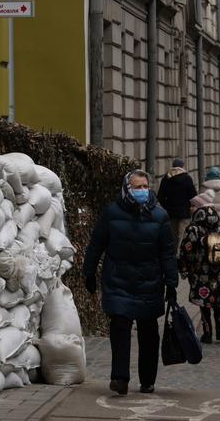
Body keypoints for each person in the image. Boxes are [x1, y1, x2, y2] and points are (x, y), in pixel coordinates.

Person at [84, 169, 179, 396]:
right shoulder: (112, 213)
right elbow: (97, 243)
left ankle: (147, 380)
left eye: (145, 186)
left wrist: (172, 283)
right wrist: (88, 272)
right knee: (119, 326)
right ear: (127, 188)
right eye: (137, 187)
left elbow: (167, 253)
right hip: (119, 280)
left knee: (148, 332)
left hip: (149, 281)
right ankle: (120, 377)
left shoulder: (159, 215)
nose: (142, 191)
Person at [178, 203, 220, 344]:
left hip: (200, 272)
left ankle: (207, 331)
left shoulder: (193, 229)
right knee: (217, 299)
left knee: (204, 302)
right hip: (219, 271)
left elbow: (185, 251)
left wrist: (183, 268)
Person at [157, 157, 196, 241]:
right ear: (182, 166)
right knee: (183, 235)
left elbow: (160, 196)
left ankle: (173, 252)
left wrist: (166, 207)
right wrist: (190, 206)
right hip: (184, 211)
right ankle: (180, 252)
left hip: (171, 211)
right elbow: (193, 195)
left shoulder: (166, 178)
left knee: (172, 235)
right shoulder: (187, 178)